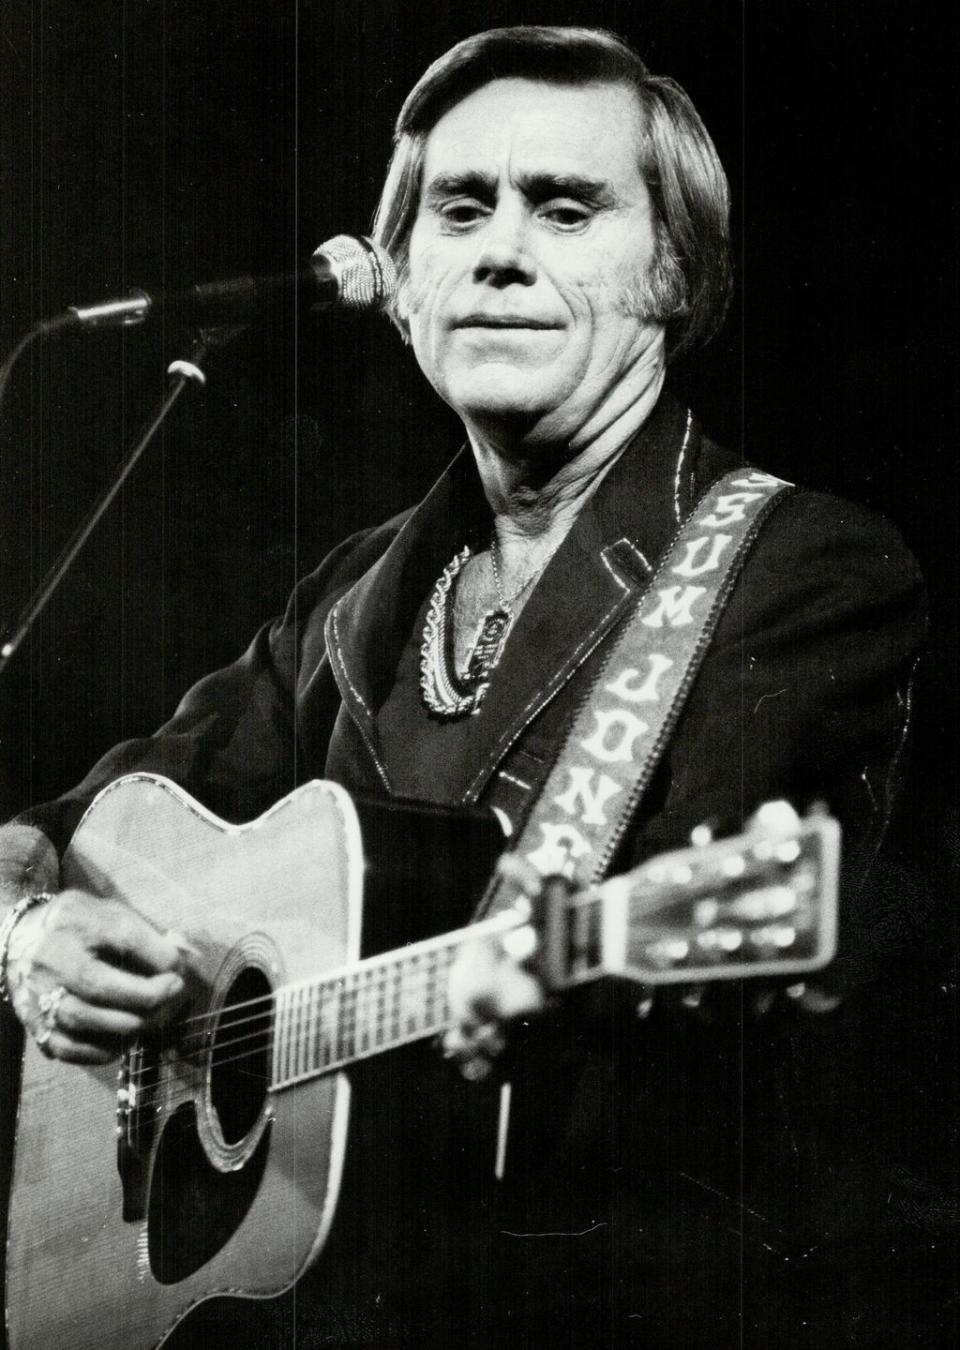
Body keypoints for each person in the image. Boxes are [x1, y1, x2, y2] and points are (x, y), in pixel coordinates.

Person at [0, 25, 931, 1350]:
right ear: (396, 273)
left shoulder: (792, 563)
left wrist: (555, 978)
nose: (502, 250)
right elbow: (54, 826)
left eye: (564, 208)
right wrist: (30, 937)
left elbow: (711, 1021)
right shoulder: (349, 599)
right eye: (460, 208)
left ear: (674, 271)